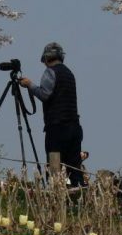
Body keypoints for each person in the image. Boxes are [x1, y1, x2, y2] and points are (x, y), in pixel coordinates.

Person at [19, 41, 83, 188]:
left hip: (57, 127)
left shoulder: (50, 72)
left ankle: (55, 196)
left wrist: (29, 84)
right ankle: (79, 196)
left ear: (46, 58)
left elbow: (44, 94)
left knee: (55, 167)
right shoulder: (69, 73)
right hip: (74, 126)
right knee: (74, 168)